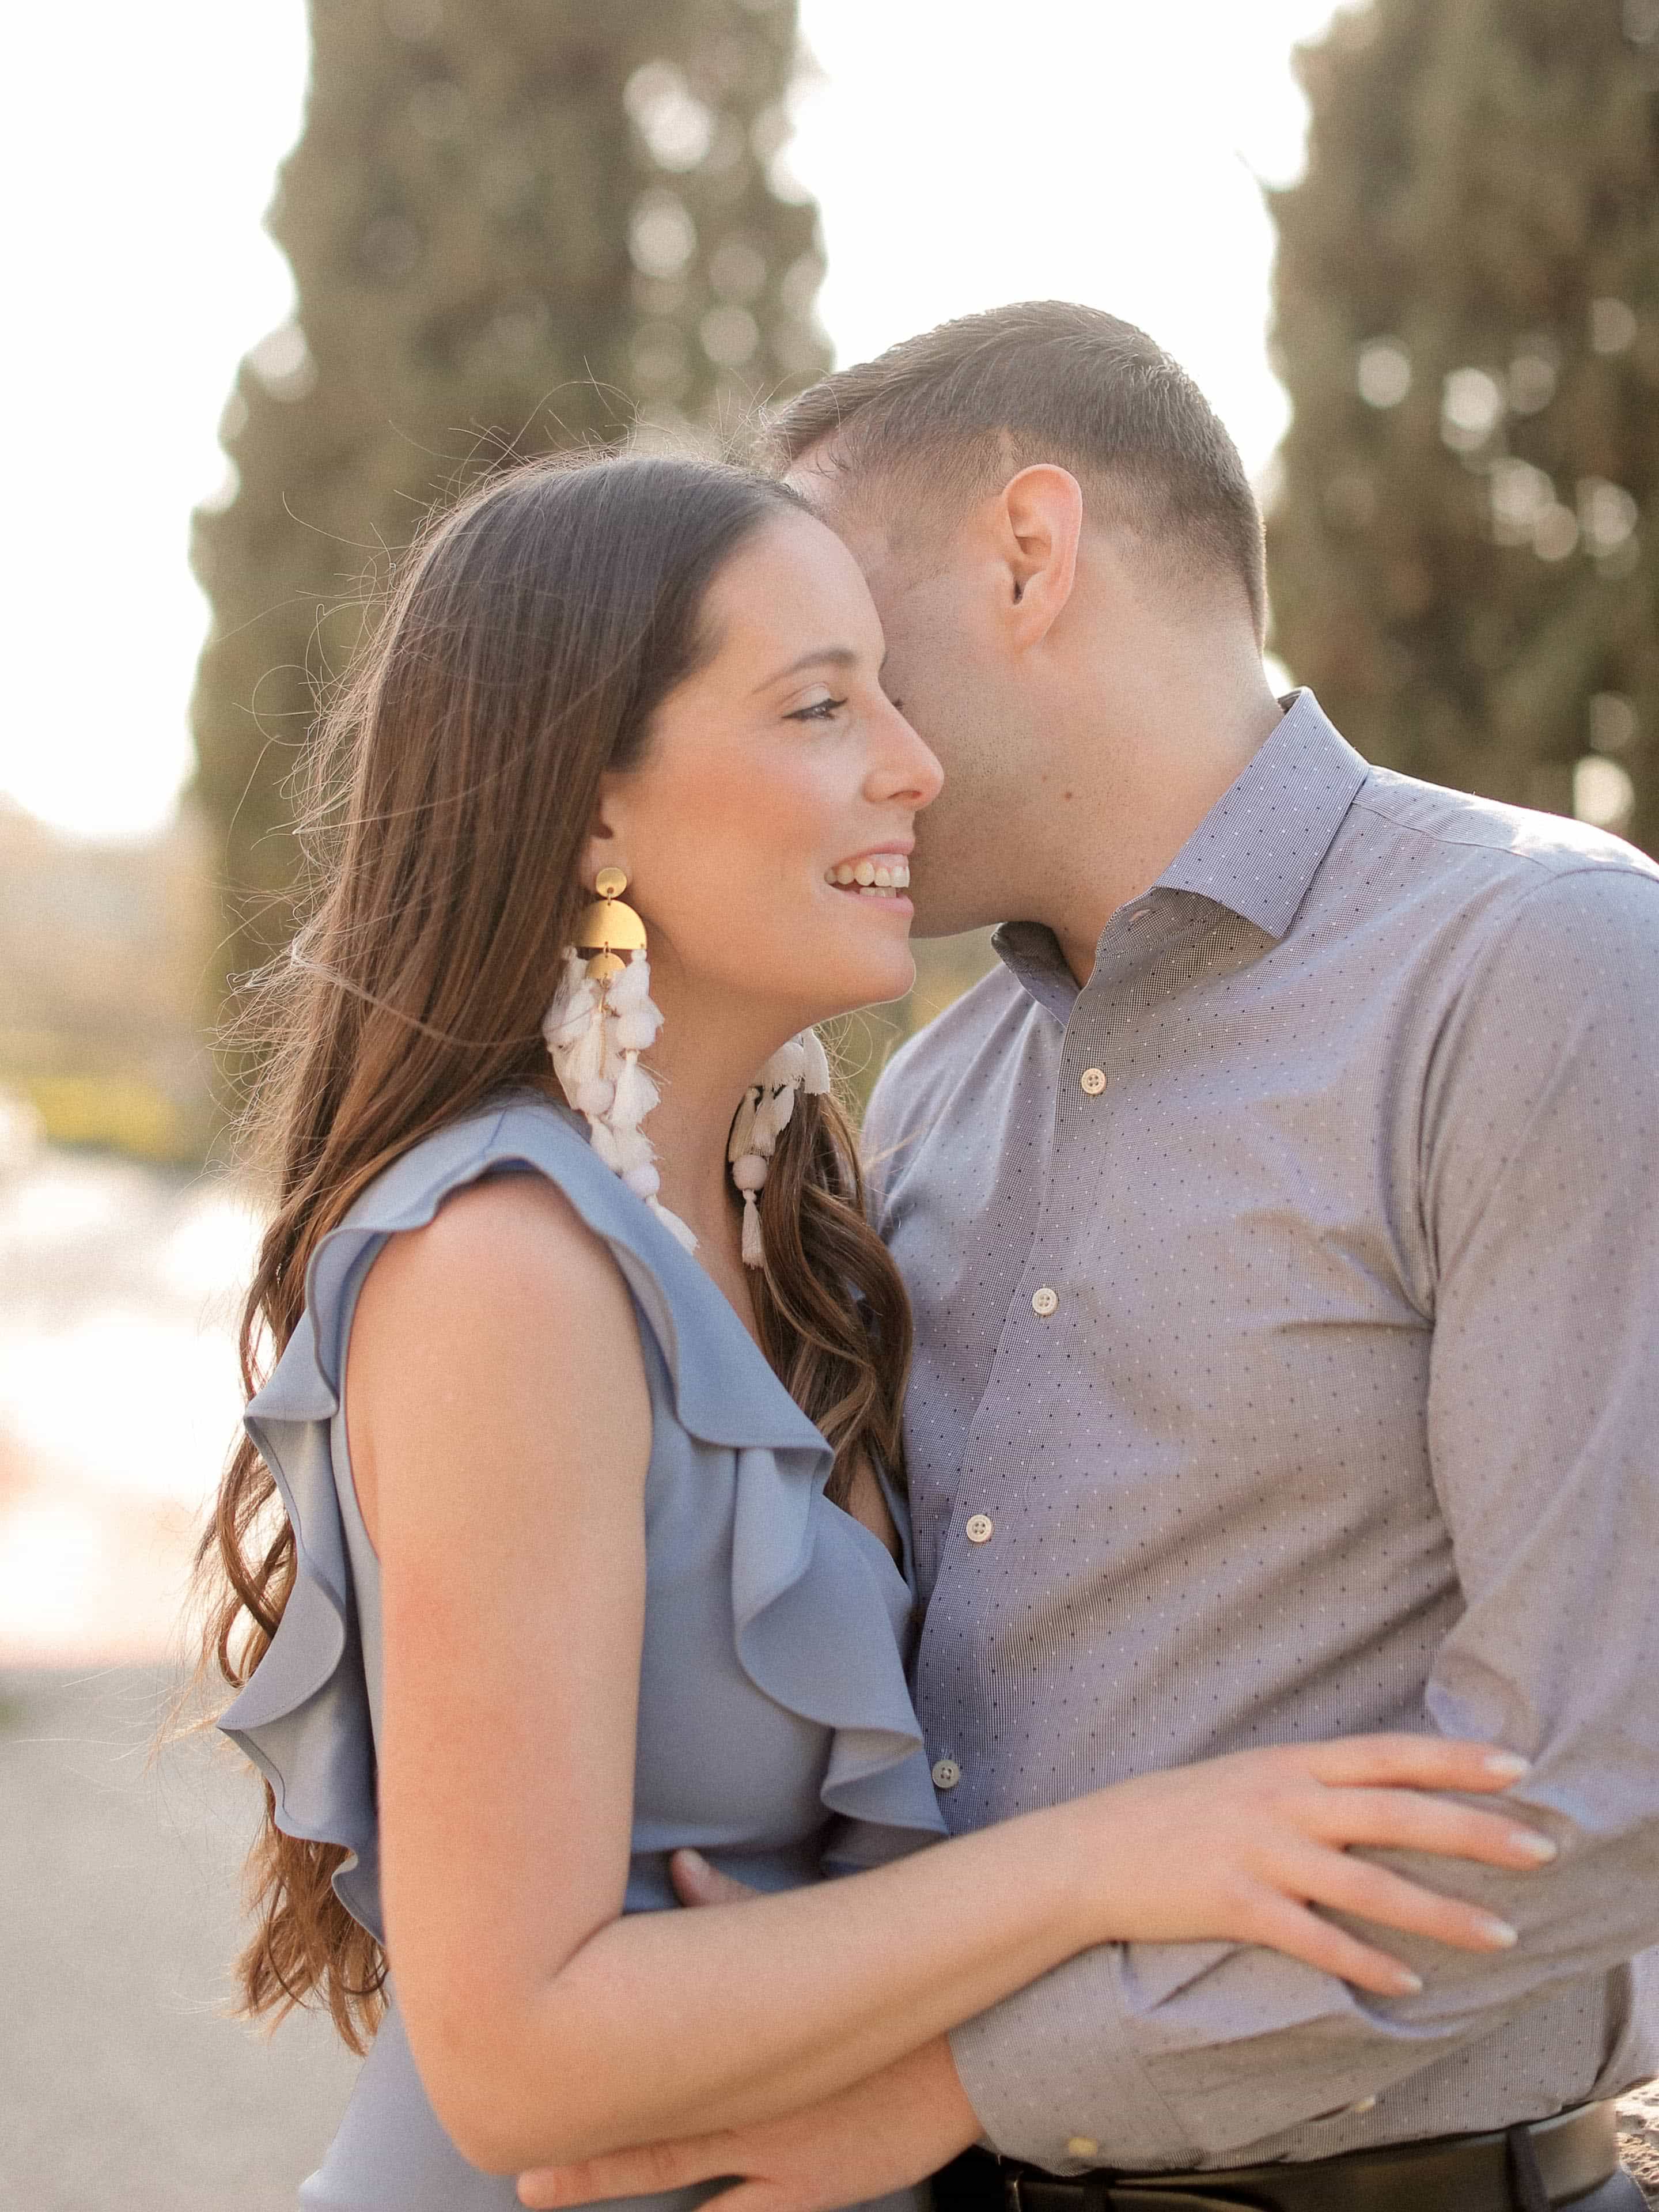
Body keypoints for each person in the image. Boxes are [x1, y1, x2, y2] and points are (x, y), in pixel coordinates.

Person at [194, 450, 1555, 2212]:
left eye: (895, 698)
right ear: (595, 812)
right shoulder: (507, 1266)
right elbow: (517, 2053)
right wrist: (1111, 1864)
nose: (915, 767)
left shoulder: (806, 1214)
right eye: (822, 707)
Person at [516, 308, 1659, 2212]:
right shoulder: (943, 1080)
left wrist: (963, 2085)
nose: (855, 756)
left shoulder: (1542, 974)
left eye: (850, 665)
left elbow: (1610, 1781)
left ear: (1030, 557)